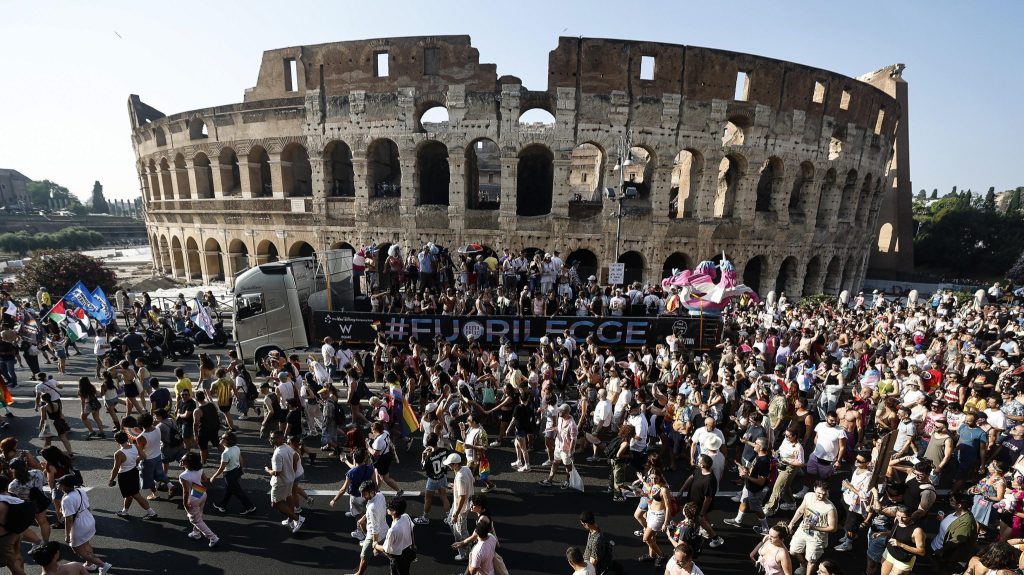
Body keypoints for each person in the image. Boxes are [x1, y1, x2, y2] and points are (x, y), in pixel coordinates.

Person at [58, 474, 112, 574]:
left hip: (79, 525)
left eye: (59, 483)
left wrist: (67, 535)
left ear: (65, 485)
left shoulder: (67, 500)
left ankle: (103, 565)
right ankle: (89, 564)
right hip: (88, 519)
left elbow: (69, 519)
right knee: (85, 543)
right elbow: (88, 507)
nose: (58, 485)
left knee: (79, 551)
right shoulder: (80, 491)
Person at [786, 480, 837, 575]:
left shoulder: (830, 508)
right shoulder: (808, 496)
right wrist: (792, 523)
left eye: (824, 494)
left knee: (812, 560)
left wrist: (814, 528)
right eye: (819, 493)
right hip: (803, 529)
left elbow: (833, 528)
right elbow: (801, 510)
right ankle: (804, 565)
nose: (821, 496)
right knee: (793, 550)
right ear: (814, 489)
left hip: (817, 536)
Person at [724, 436, 771, 535]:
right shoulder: (757, 456)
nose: (754, 444)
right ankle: (738, 520)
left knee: (756, 509)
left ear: (761, 447)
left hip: (755, 489)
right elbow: (753, 470)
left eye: (756, 443)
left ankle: (766, 528)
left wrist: (746, 476)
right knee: (743, 500)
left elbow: (761, 482)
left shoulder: (764, 461)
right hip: (749, 485)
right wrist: (744, 468)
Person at [106, 431, 158, 520]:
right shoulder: (135, 446)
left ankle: (151, 513)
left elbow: (116, 469)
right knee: (128, 495)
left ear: (117, 441)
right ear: (127, 438)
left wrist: (111, 480)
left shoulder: (118, 453)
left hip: (125, 476)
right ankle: (125, 512)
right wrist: (135, 460)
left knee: (135, 495)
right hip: (134, 472)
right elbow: (143, 456)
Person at [679, 454, 722, 548]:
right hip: (692, 503)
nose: (697, 462)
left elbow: (708, 499)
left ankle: (713, 538)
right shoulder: (699, 470)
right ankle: (713, 537)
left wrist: (702, 512)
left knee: (699, 521)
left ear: (703, 465)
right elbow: (691, 477)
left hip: (699, 506)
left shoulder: (710, 480)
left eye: (698, 461)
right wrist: (682, 490)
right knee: (702, 521)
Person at [265, 430, 304, 533]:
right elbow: (296, 457)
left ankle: (297, 519)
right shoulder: (287, 447)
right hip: (289, 480)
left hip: (280, 483)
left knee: (275, 504)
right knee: (288, 497)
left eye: (273, 438)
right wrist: (292, 473)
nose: (270, 439)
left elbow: (277, 473)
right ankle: (290, 520)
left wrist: (268, 470)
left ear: (279, 439)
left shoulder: (277, 454)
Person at [210, 431, 256, 515]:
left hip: (229, 475)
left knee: (238, 492)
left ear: (228, 441)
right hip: (236, 471)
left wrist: (214, 476)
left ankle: (250, 507)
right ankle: (222, 505)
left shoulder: (225, 453)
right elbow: (240, 459)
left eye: (223, 438)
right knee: (229, 490)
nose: (220, 439)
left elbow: (222, 468)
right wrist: (241, 469)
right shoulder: (236, 448)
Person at [932, 492, 978, 575]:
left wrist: (940, 552)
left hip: (946, 555)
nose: (950, 500)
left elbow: (956, 540)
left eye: (952, 500)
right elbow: (951, 527)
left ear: (959, 505)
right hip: (937, 546)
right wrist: (943, 520)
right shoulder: (954, 513)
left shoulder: (966, 522)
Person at [179, 451, 218, 547]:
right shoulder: (199, 469)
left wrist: (185, 503)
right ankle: (196, 533)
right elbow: (205, 479)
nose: (181, 461)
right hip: (201, 492)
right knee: (199, 513)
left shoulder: (183, 476)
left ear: (188, 463)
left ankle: (212, 537)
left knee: (195, 520)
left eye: (183, 460)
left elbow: (186, 492)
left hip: (192, 497)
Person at [834, 453, 872, 551]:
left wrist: (849, 487)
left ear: (867, 463)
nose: (856, 462)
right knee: (846, 521)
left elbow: (865, 495)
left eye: (860, 461)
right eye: (856, 459)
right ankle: (847, 537)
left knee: (851, 526)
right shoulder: (856, 469)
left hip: (856, 505)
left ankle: (848, 543)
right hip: (847, 499)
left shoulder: (868, 477)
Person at [348, 480, 387, 575]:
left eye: (364, 494)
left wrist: (374, 543)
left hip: (374, 535)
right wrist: (364, 517)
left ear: (371, 492)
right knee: (386, 550)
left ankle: (358, 574)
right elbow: (377, 511)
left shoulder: (372, 508)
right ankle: (399, 558)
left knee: (364, 556)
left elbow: (375, 528)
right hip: (385, 529)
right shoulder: (380, 496)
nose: (362, 496)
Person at [372, 496, 415, 575]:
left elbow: (386, 549)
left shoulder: (392, 530)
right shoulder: (406, 516)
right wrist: (413, 547)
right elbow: (411, 531)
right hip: (408, 552)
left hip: (398, 558)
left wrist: (375, 545)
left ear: (394, 511)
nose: (387, 508)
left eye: (388, 508)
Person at [880, 506, 925, 574]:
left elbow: (921, 552)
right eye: (898, 515)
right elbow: (895, 533)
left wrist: (900, 544)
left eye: (904, 517)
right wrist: (882, 533)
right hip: (889, 553)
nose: (900, 519)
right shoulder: (897, 520)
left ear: (910, 516)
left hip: (902, 561)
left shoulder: (917, 531)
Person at [447, 451, 475, 561]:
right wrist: (456, 487)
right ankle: (466, 547)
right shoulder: (466, 469)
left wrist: (456, 514)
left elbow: (462, 497)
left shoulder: (460, 477)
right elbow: (472, 481)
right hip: (460, 503)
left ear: (455, 464)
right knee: (451, 522)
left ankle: (465, 553)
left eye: (450, 464)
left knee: (460, 531)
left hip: (461, 508)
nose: (449, 466)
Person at [418, 434, 451, 524]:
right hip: (442, 477)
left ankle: (424, 518)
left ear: (428, 444)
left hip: (433, 479)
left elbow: (423, 467)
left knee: (428, 499)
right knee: (444, 497)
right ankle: (449, 518)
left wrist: (423, 456)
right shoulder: (445, 450)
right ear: (437, 440)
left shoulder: (429, 457)